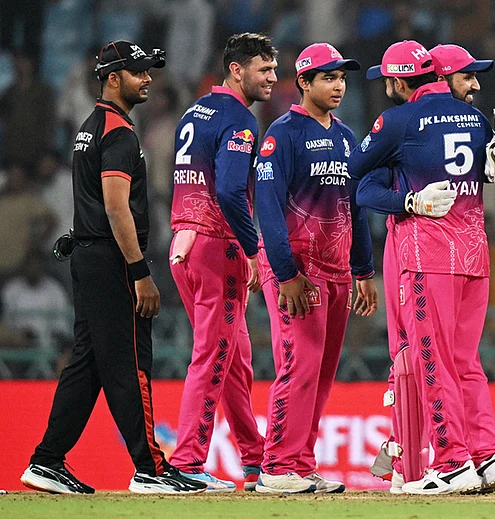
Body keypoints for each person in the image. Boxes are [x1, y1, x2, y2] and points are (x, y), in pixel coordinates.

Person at [20, 40, 206, 495]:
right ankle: (151, 469)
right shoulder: (119, 132)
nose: (147, 79)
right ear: (112, 77)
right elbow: (116, 208)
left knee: (88, 364)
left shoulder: (91, 127)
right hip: (113, 259)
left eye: (148, 72)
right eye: (139, 72)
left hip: (89, 255)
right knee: (130, 364)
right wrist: (140, 271)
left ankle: (46, 461)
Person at [349, 40, 495, 495]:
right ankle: (489, 454)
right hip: (475, 254)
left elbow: (353, 174)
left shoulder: (397, 121)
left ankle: (454, 462)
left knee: (431, 360)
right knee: (466, 362)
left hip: (429, 256)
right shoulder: (476, 118)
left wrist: (402, 198)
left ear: (399, 80)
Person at [252, 43, 378, 494]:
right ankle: (277, 466)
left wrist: (363, 270)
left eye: (341, 77)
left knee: (321, 374)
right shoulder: (282, 134)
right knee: (298, 366)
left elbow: (357, 205)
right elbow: (265, 205)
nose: (338, 85)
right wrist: (285, 274)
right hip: (298, 272)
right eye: (327, 77)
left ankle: (301, 464)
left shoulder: (347, 137)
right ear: (303, 82)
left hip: (338, 270)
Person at [168, 33, 278, 492]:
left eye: (274, 69)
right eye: (264, 69)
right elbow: (231, 192)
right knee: (213, 356)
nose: (273, 77)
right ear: (237, 70)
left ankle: (255, 459)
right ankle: (188, 462)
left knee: (235, 358)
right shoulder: (240, 121)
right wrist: (252, 248)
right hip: (218, 247)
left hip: (183, 244)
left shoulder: (194, 113)